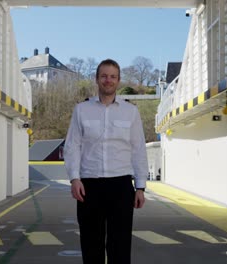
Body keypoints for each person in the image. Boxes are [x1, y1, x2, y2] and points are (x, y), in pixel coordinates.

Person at [64, 59, 148, 264]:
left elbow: (138, 149)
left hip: (120, 185)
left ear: (118, 80)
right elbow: (72, 146)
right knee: (91, 244)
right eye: (104, 76)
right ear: (97, 79)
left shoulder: (131, 112)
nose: (108, 80)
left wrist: (140, 187)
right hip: (89, 186)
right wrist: (74, 178)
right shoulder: (81, 110)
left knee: (120, 246)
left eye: (112, 76)